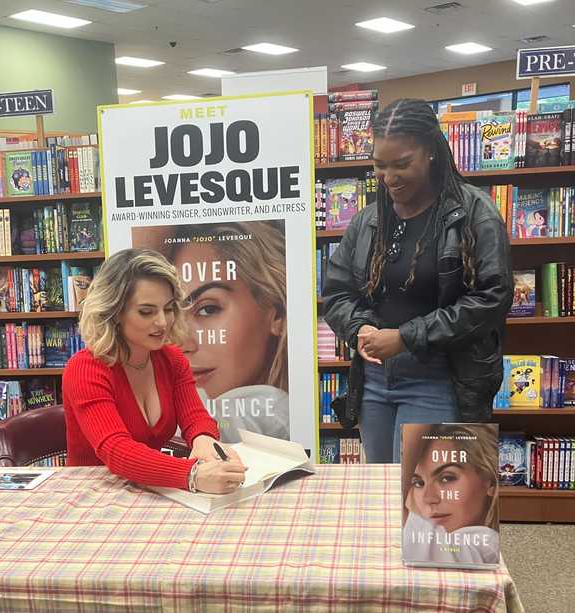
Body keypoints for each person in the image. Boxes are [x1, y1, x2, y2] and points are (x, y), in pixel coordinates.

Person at [323, 98, 513, 463]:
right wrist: (360, 328)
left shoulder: (474, 214)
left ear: (430, 152)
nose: (389, 177)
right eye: (379, 165)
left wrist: (407, 338)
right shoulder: (369, 221)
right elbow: (337, 292)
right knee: (383, 498)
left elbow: (492, 299)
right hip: (374, 382)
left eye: (401, 164)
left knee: (427, 508)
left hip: (441, 378)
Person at [62, 248, 247, 494]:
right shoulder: (85, 368)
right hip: (92, 497)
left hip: (149, 492)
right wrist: (191, 475)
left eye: (169, 308)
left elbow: (195, 417)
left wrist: (204, 439)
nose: (162, 322)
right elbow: (116, 450)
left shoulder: (171, 359)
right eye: (147, 312)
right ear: (114, 313)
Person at [134, 220, 288, 442]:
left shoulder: (278, 411)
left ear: (276, 313)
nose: (182, 343)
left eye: (208, 309)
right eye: (173, 313)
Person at [401, 423, 499, 566]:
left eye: (447, 478)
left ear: (490, 482)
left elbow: (433, 549)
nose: (428, 498)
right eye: (418, 482)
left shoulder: (489, 545)